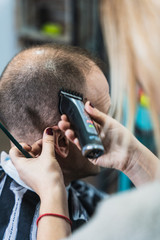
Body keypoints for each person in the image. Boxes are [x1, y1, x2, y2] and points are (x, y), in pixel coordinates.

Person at [8, 0, 160, 239]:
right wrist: (53, 192)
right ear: (61, 142)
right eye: (102, 113)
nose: (112, 124)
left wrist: (133, 159)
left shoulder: (98, 206)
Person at [0, 43, 111, 239]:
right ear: (61, 142)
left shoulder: (78, 190)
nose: (114, 127)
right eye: (103, 118)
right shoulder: (16, 230)